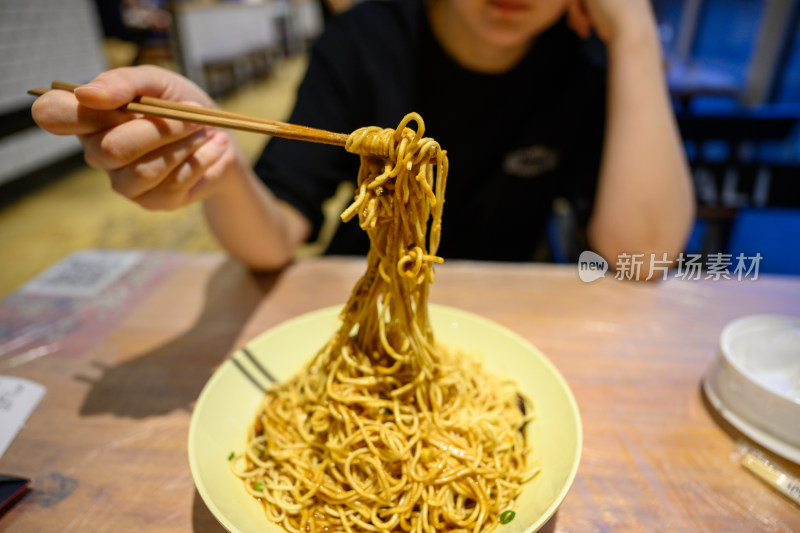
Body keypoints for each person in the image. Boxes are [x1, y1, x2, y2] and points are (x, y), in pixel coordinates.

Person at [32, 0, 694, 272]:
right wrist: (217, 161)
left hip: (507, 313)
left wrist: (634, 33)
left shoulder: (581, 71)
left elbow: (647, 256)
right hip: (353, 289)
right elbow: (273, 238)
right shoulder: (364, 42)